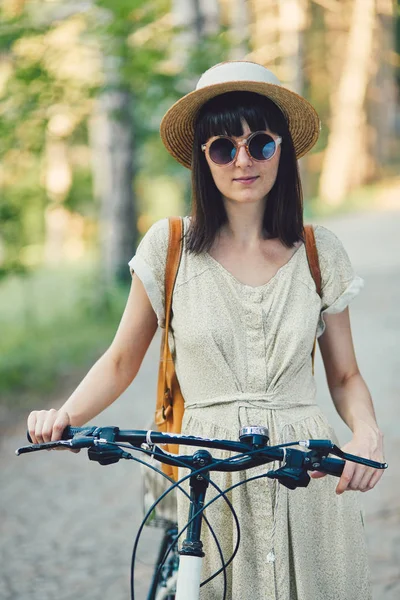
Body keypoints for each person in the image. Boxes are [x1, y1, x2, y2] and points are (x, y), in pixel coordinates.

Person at [28, 61, 384, 599]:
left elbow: (347, 373)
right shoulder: (169, 248)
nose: (243, 160)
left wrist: (367, 433)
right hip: (208, 473)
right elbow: (122, 359)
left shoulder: (318, 251)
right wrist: (64, 418)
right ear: (204, 159)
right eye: (223, 147)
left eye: (260, 143)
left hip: (303, 474)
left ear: (282, 150)